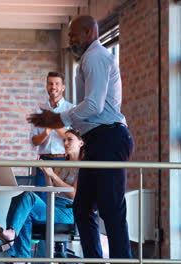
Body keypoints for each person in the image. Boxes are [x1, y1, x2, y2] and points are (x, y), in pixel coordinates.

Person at [27, 15, 134, 261]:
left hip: (110, 138)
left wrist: (59, 119)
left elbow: (95, 106)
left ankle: (122, 260)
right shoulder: (89, 59)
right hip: (97, 140)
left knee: (111, 210)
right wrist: (59, 119)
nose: (70, 38)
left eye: (73, 34)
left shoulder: (95, 57)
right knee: (82, 207)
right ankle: (94, 258)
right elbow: (91, 110)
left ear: (89, 32)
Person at [0, 129, 83, 259]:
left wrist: (52, 175)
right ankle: (21, 256)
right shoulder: (63, 164)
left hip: (68, 211)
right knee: (22, 205)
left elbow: (74, 194)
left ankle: (12, 237)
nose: (66, 143)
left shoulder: (84, 165)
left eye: (70, 139)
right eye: (64, 140)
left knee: (28, 197)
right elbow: (51, 188)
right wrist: (47, 173)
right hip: (54, 204)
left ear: (81, 143)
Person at [30, 72, 75, 200]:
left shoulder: (72, 109)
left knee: (61, 200)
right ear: (46, 86)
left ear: (63, 87)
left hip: (64, 162)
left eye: (57, 84)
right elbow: (34, 141)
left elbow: (73, 138)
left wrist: (53, 122)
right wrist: (46, 131)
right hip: (43, 161)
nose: (53, 87)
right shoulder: (38, 111)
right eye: (50, 84)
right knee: (40, 201)